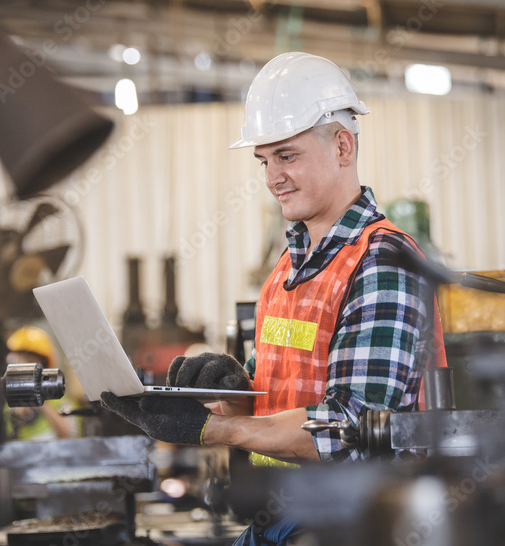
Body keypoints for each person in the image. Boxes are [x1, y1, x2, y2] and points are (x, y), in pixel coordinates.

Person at [101, 52, 447, 542]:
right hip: (287, 516)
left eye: (287, 155)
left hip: (363, 525)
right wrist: (234, 393)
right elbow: (284, 408)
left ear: (343, 146)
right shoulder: (286, 270)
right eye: (264, 160)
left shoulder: (382, 260)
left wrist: (213, 431)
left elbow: (354, 430)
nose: (271, 178)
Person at [5, 325, 74, 440]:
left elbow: (66, 434)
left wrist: (41, 402)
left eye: (31, 360)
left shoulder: (58, 397)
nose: (25, 365)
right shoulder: (9, 402)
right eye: (21, 360)